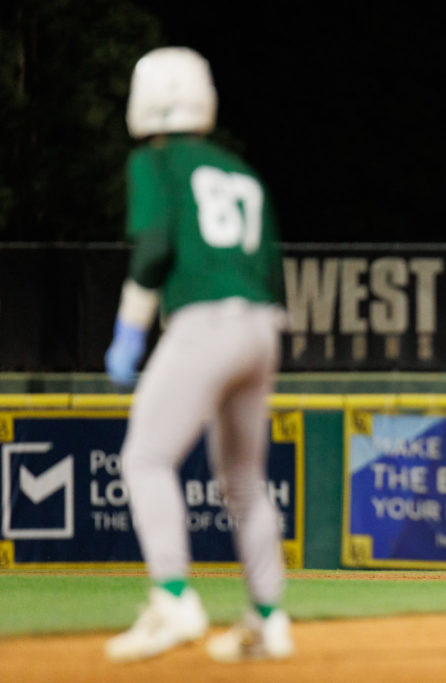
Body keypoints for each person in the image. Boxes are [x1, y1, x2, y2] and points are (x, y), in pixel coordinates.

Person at [103, 46, 293, 662]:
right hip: (261, 327)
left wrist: (130, 326)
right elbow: (271, 269)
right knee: (244, 481)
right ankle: (269, 619)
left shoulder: (155, 160)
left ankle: (174, 600)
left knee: (145, 459)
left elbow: (155, 245)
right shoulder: (241, 171)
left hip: (204, 324)